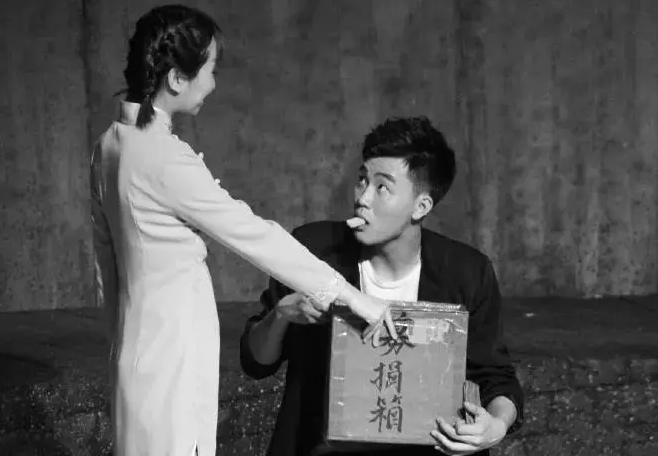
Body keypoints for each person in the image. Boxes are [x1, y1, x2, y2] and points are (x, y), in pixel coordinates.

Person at [89, 5, 395, 456]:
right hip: (170, 357)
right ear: (176, 78)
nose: (213, 84)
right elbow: (255, 235)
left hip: (135, 353)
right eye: (209, 70)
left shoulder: (110, 144)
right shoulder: (162, 157)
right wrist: (353, 297)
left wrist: (118, 347)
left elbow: (106, 268)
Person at [240, 116, 525, 456]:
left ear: (421, 206)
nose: (363, 198)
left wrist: (496, 426)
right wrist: (282, 314)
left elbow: (496, 377)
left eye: (382, 187)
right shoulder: (312, 251)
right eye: (362, 180)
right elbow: (255, 362)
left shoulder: (467, 272)